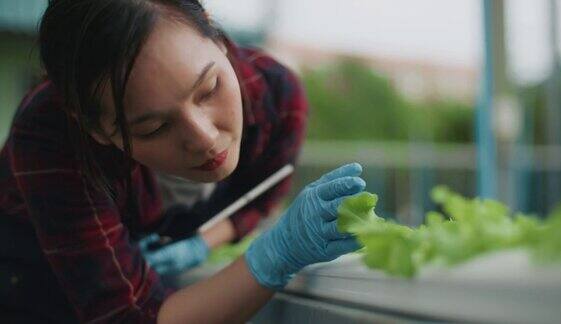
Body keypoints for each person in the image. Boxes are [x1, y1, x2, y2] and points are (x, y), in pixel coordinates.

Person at [0, 0, 371, 322]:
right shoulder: (49, 133)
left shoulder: (276, 96)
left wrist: (203, 244)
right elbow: (130, 317)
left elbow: (260, 196)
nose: (206, 138)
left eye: (209, 89)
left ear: (212, 28)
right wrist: (275, 256)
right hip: (34, 289)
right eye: (154, 128)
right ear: (94, 128)